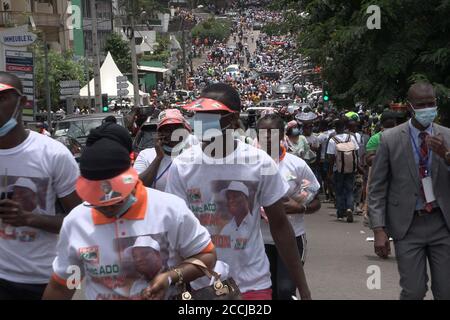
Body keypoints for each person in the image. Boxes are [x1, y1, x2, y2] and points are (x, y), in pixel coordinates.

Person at [165, 83, 311, 300]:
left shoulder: (259, 163)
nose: (201, 121)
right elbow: (174, 233)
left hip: (252, 285)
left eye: (211, 115)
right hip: (199, 288)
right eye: (199, 114)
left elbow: (280, 225)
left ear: (233, 120)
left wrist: (304, 289)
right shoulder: (183, 165)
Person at [42, 123, 216, 300]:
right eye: (99, 201)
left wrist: (171, 277)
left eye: (116, 199)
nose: (108, 207)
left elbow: (207, 256)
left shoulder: (170, 210)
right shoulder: (76, 222)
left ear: (131, 180)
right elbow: (62, 286)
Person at [0, 72, 81, 300]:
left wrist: (29, 219)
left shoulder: (52, 154)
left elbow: (81, 221)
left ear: (22, 103)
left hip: (44, 279)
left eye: (2, 98)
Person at [369, 82, 450, 300]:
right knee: (414, 291)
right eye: (421, 105)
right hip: (407, 225)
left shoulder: (448, 136)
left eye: (430, 104)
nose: (427, 109)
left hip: (442, 223)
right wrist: (379, 229)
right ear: (410, 106)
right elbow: (377, 187)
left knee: (446, 291)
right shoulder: (390, 139)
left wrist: (446, 155)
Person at [256, 113, 321, 300]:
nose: (267, 137)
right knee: (266, 292)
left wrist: (301, 208)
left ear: (282, 134)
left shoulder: (297, 165)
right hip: (257, 241)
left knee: (285, 291)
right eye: (263, 133)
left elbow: (315, 200)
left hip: (292, 238)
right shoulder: (248, 166)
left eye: (272, 132)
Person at [133, 109, 195, 191]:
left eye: (177, 128)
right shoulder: (145, 155)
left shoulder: (193, 154)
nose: (173, 133)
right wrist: (158, 157)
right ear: (160, 133)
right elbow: (137, 185)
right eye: (167, 130)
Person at [326, 118, 360, 222]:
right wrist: (357, 166)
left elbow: (331, 158)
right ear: (344, 127)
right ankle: (350, 208)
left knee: (339, 190)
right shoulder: (351, 137)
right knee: (350, 190)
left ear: (335, 128)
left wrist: (330, 171)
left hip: (338, 169)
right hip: (351, 168)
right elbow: (356, 153)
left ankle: (341, 213)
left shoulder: (333, 140)